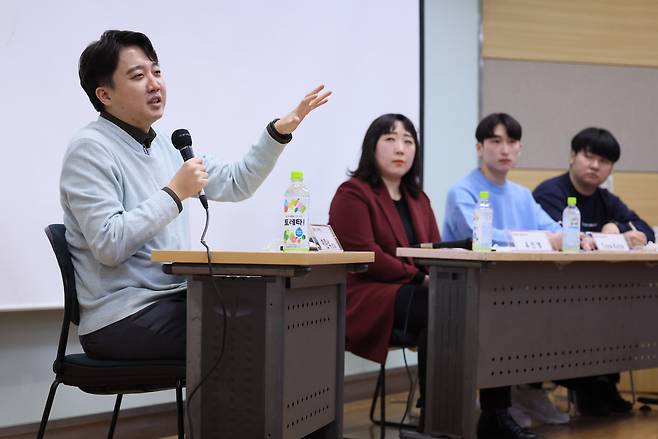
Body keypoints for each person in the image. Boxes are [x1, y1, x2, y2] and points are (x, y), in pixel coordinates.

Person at [60, 30, 330, 361]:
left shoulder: (165, 146)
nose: (154, 83)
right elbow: (108, 243)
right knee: (243, 333)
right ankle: (218, 415)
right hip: (120, 317)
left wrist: (278, 133)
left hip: (175, 298)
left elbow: (236, 182)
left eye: (156, 72)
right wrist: (174, 193)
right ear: (105, 94)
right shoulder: (90, 149)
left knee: (269, 314)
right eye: (137, 76)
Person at [443, 113, 568, 438]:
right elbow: (480, 234)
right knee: (508, 317)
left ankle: (526, 393)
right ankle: (501, 405)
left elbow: (554, 229)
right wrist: (536, 238)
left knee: (563, 311)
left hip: (518, 288)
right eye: (496, 141)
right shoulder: (462, 191)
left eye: (511, 142)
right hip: (472, 291)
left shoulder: (522, 195)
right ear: (479, 147)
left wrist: (568, 236)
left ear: (520, 149)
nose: (504, 149)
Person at [328, 114, 440, 432]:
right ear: (371, 147)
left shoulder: (419, 199)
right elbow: (366, 255)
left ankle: (452, 406)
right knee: (438, 304)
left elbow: (433, 250)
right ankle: (433, 409)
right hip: (365, 295)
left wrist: (438, 276)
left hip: (412, 291)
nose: (400, 148)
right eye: (390, 139)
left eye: (407, 140)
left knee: (457, 301)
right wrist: (420, 277)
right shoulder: (352, 193)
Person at [533, 127, 655, 416]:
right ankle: (587, 386)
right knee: (592, 311)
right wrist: (609, 237)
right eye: (589, 157)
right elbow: (557, 237)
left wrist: (621, 228)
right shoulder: (550, 192)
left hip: (597, 289)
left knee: (622, 308)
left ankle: (603, 384)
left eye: (604, 161)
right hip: (552, 288)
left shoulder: (606, 199)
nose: (595, 166)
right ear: (572, 156)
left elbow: (647, 229)